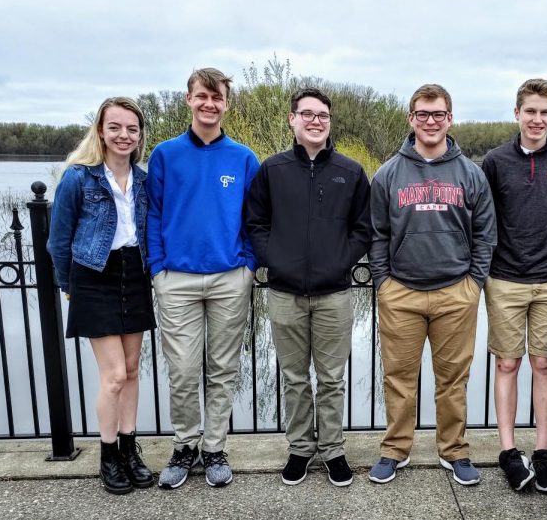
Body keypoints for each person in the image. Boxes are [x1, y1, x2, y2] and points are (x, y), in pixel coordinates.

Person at [368, 83, 496, 486]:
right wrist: (383, 283)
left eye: (438, 114)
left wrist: (474, 283)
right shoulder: (389, 173)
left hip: (455, 292)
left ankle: (454, 450)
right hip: (400, 292)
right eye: (422, 114)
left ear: (449, 119)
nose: (430, 121)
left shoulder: (470, 174)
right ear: (411, 118)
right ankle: (395, 449)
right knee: (399, 378)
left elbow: (485, 234)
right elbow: (376, 234)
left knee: (453, 380)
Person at [247, 87, 372, 487]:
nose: (316, 121)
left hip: (334, 294)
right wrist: (275, 260)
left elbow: (363, 228)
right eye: (308, 114)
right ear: (293, 119)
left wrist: (339, 260)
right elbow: (256, 224)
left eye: (323, 115)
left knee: (332, 379)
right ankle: (301, 448)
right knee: (295, 378)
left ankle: (333, 449)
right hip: (284, 294)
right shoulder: (273, 169)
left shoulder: (350, 171)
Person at [147, 68, 260, 489]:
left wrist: (249, 265)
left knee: (223, 370)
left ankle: (214, 448)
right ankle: (183, 446)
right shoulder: (165, 154)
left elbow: (253, 219)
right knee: (182, 370)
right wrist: (158, 268)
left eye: (217, 98)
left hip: (230, 277)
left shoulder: (244, 158)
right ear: (188, 100)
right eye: (202, 97)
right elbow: (154, 212)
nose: (209, 104)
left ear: (226, 104)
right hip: (176, 279)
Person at [47, 97, 155, 495]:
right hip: (94, 275)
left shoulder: (143, 180)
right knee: (111, 377)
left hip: (134, 273)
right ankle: (108, 454)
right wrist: (68, 286)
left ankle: (130, 448)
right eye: (115, 127)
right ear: (101, 131)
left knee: (131, 371)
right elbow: (58, 241)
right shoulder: (80, 178)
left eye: (131, 128)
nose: (124, 135)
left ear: (139, 134)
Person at [481, 78, 547, 494]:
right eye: (530, 111)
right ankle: (508, 452)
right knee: (507, 364)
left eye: (545, 112)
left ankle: (543, 453)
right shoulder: (494, 161)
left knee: (545, 365)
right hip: (505, 280)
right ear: (517, 113)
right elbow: (483, 221)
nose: (537, 119)